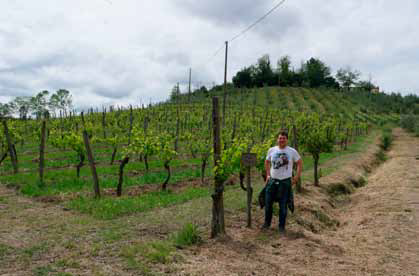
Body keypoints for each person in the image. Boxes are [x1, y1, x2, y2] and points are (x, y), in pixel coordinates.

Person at [262, 130, 302, 233]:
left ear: (287, 140)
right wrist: (267, 175)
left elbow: (299, 163)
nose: (281, 140)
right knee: (268, 202)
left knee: (283, 205)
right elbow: (266, 162)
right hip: (272, 181)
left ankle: (281, 227)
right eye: (280, 138)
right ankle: (266, 224)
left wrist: (296, 177)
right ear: (277, 139)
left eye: (283, 138)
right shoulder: (271, 150)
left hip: (285, 182)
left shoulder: (292, 151)